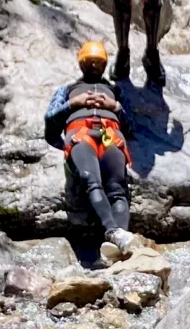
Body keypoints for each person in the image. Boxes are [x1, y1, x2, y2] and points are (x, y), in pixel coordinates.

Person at [44, 41, 135, 257]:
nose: (93, 66)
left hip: (110, 134)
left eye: (98, 63)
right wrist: (74, 103)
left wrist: (114, 107)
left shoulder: (115, 91)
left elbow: (131, 127)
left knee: (117, 189)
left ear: (104, 66)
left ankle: (120, 245)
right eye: (89, 62)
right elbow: (50, 120)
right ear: (81, 64)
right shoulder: (66, 91)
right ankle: (114, 232)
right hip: (80, 134)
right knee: (90, 179)